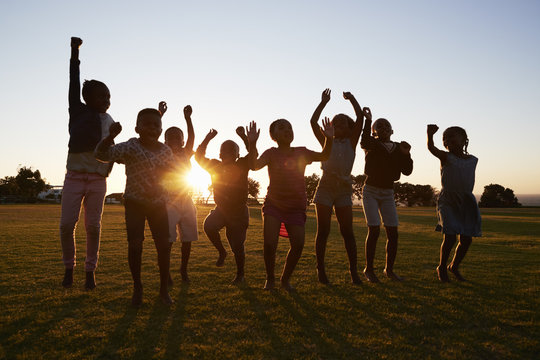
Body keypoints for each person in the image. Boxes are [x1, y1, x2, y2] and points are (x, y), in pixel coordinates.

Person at [95, 108, 174, 306]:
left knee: (163, 247)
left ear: (161, 129)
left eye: (156, 125)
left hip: (158, 205)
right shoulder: (131, 146)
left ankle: (164, 290)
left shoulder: (166, 151)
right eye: (147, 124)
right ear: (137, 128)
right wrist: (110, 137)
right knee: (135, 245)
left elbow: (174, 174)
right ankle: (137, 287)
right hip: (135, 203)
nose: (152, 128)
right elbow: (101, 154)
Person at [248, 119, 334, 291]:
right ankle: (270, 278)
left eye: (290, 127)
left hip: (296, 207)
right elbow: (254, 165)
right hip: (274, 204)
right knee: (270, 244)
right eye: (281, 128)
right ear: (273, 136)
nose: (287, 130)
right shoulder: (271, 153)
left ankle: (285, 279)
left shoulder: (302, 152)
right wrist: (252, 143)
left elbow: (324, 155)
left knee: (298, 245)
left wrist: (329, 138)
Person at [60, 37, 115, 290]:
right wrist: (74, 52)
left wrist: (112, 139)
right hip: (74, 176)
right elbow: (73, 79)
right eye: (103, 96)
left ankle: (89, 272)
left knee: (93, 226)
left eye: (109, 96)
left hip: (97, 179)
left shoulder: (109, 120)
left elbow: (111, 150)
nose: (107, 100)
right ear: (87, 98)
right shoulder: (77, 109)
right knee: (66, 225)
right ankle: (69, 268)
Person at [310, 89, 364, 285]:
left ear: (349, 128)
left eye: (343, 121)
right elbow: (313, 122)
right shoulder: (327, 140)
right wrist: (323, 102)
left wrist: (352, 99)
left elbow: (359, 118)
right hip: (325, 186)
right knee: (323, 230)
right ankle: (321, 271)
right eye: (335, 120)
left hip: (343, 188)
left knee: (347, 231)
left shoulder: (352, 141)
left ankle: (353, 272)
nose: (338, 123)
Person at [194, 125, 254, 284]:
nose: (227, 153)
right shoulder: (215, 165)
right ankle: (222, 252)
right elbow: (198, 157)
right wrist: (207, 139)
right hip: (222, 210)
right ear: (220, 154)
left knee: (237, 245)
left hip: (239, 212)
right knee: (208, 226)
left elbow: (253, 155)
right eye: (224, 150)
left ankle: (240, 274)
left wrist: (244, 138)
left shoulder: (242, 164)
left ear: (237, 154)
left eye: (232, 150)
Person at [360, 107, 413, 282]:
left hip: (388, 192)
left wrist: (407, 155)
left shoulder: (399, 147)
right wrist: (368, 120)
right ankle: (369, 269)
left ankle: (388, 270)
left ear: (392, 130)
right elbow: (364, 140)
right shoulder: (372, 144)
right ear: (374, 132)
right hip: (371, 191)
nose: (383, 128)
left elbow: (407, 171)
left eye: (386, 126)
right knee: (374, 229)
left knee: (393, 232)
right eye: (379, 126)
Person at [427, 124, 481, 282]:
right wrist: (430, 135)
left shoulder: (473, 160)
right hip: (448, 201)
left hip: (466, 201)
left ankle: (454, 266)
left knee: (466, 239)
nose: (447, 139)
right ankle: (442, 267)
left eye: (452, 136)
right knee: (449, 236)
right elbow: (431, 148)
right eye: (445, 138)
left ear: (464, 140)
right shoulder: (445, 157)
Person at [161, 102, 197, 283]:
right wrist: (159, 115)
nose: (174, 139)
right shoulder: (162, 153)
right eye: (170, 137)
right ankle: (166, 272)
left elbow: (192, 137)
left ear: (182, 141)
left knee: (187, 237)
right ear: (165, 141)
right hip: (169, 201)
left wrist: (188, 119)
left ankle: (183, 269)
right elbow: (153, 136)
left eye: (178, 136)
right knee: (168, 238)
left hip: (186, 200)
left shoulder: (186, 152)